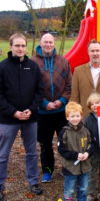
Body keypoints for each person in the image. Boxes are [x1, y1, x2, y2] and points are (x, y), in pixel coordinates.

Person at [0, 33, 44, 201]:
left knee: (31, 152)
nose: (20, 49)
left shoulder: (34, 67)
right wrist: (13, 112)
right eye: (17, 46)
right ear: (11, 46)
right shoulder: (1, 68)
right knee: (2, 153)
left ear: (26, 47)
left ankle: (33, 181)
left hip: (30, 117)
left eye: (23, 46)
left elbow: (39, 91)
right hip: (8, 118)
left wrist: (31, 109)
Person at [32, 33, 72, 182]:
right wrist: (44, 103)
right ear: (40, 44)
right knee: (45, 143)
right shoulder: (33, 62)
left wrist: (61, 101)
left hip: (61, 111)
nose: (48, 44)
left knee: (65, 141)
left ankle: (67, 168)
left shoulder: (63, 61)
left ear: (54, 44)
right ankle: (47, 171)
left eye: (50, 42)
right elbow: (31, 88)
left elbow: (69, 85)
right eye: (45, 42)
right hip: (42, 112)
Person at [71, 40, 100, 117]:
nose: (95, 53)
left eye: (97, 51)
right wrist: (75, 114)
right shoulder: (78, 71)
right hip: (85, 115)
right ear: (88, 52)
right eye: (92, 51)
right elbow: (74, 96)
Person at [58, 102, 93, 201]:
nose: (75, 118)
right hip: (70, 168)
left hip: (85, 167)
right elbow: (61, 150)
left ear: (81, 116)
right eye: (72, 116)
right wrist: (75, 155)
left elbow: (92, 144)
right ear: (67, 117)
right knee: (69, 190)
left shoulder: (86, 130)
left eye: (77, 116)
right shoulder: (64, 132)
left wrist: (87, 153)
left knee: (84, 188)